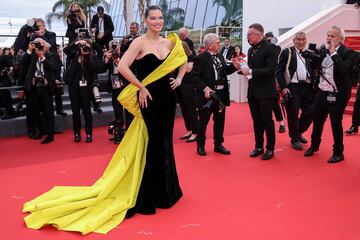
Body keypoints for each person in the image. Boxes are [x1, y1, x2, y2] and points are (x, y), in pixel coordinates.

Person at [22, 5, 188, 235]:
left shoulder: (170, 42)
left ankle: (168, 191)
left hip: (167, 100)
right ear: (145, 20)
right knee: (152, 145)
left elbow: (184, 60)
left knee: (165, 143)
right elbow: (121, 67)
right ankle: (149, 194)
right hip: (148, 98)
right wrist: (140, 86)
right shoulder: (138, 42)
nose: (158, 22)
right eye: (153, 18)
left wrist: (178, 79)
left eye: (160, 18)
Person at [304, 26, 355, 163]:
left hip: (338, 94)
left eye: (332, 36)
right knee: (317, 120)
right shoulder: (322, 50)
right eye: (328, 36)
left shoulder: (348, 53)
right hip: (322, 91)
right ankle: (314, 146)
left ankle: (338, 153)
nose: (328, 38)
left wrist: (333, 54)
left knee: (335, 123)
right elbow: (316, 68)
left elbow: (344, 70)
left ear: (340, 39)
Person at [192, 33, 240, 156]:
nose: (220, 44)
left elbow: (225, 71)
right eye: (218, 42)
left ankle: (218, 144)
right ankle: (200, 145)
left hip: (221, 94)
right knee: (203, 121)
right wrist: (205, 89)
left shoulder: (220, 56)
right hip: (207, 95)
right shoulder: (200, 58)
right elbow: (195, 77)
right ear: (210, 45)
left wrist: (234, 67)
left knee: (220, 121)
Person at [239, 23, 279, 160]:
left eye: (249, 34)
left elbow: (271, 70)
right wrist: (242, 70)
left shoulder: (271, 48)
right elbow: (252, 69)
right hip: (253, 91)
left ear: (259, 34)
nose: (247, 37)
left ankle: (270, 148)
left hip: (266, 92)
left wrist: (250, 71)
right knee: (256, 121)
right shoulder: (251, 50)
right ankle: (259, 146)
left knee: (267, 121)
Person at [276, 31, 315, 151]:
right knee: (293, 113)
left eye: (303, 39)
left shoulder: (309, 54)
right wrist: (284, 87)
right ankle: (295, 139)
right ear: (294, 41)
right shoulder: (287, 52)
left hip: (307, 87)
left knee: (310, 112)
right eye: (298, 39)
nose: (301, 42)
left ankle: (298, 132)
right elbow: (279, 71)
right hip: (292, 86)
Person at [18, 38, 57, 144]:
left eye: (40, 44)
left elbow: (53, 67)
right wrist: (29, 50)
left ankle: (50, 134)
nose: (39, 46)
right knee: (35, 111)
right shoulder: (31, 56)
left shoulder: (50, 55)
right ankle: (41, 130)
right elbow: (23, 64)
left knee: (48, 111)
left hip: (46, 87)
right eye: (37, 44)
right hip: (33, 87)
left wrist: (42, 57)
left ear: (45, 45)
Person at [63, 39, 99, 143]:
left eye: (87, 46)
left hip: (86, 88)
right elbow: (66, 50)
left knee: (87, 111)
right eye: (83, 46)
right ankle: (77, 133)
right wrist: (76, 43)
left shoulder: (92, 57)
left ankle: (89, 134)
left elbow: (95, 69)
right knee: (75, 111)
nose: (85, 48)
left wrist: (87, 56)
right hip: (74, 87)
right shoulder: (74, 55)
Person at [100, 39, 133, 144]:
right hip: (115, 87)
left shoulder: (125, 55)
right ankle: (118, 132)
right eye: (112, 47)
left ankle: (129, 132)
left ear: (119, 46)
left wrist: (119, 61)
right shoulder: (108, 57)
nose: (115, 49)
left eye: (116, 46)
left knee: (128, 111)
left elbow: (130, 70)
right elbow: (101, 69)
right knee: (117, 110)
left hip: (126, 86)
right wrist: (106, 59)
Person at [178, 41, 198, 142]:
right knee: (184, 109)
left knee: (191, 109)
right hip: (179, 86)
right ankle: (189, 130)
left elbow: (188, 69)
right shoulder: (177, 58)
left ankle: (195, 132)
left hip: (188, 86)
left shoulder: (191, 57)